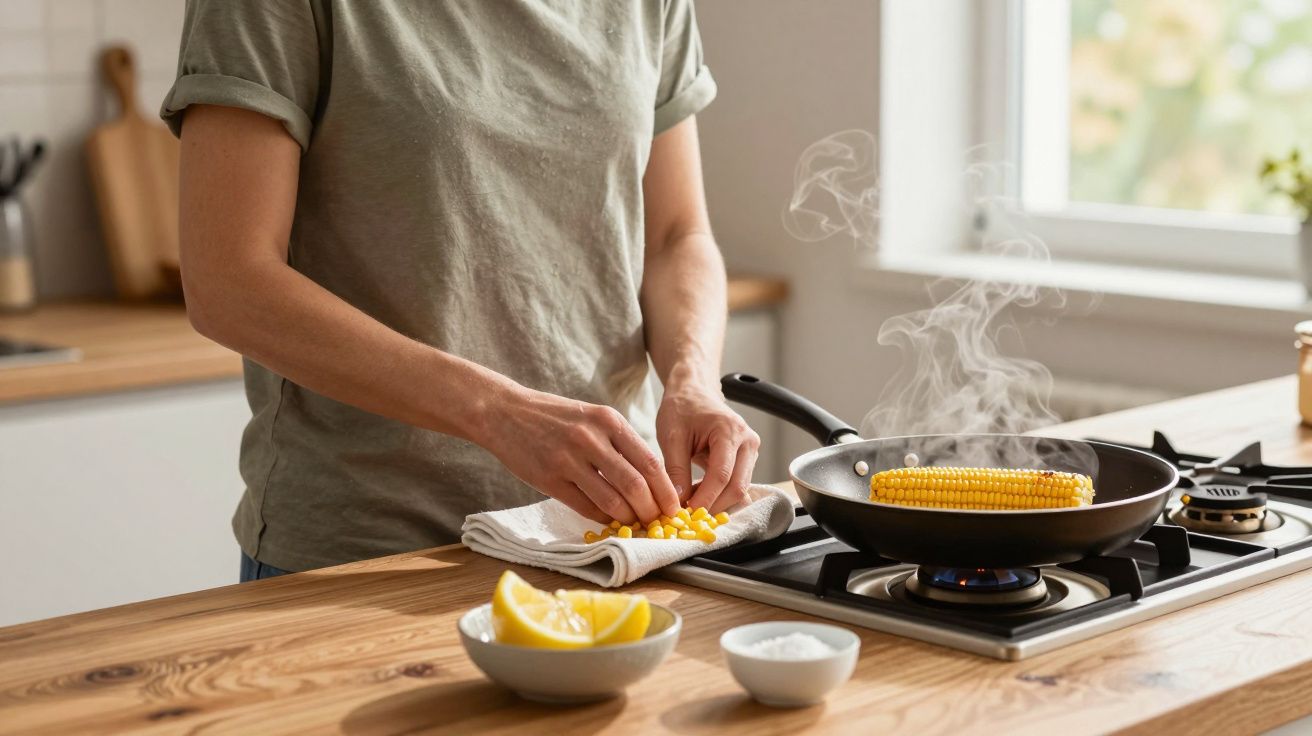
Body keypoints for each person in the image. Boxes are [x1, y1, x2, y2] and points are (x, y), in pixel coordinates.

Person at [161, 1, 759, 581]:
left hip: (605, 541)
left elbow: (677, 236)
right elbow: (228, 282)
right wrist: (499, 414)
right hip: (372, 552)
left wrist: (693, 381)